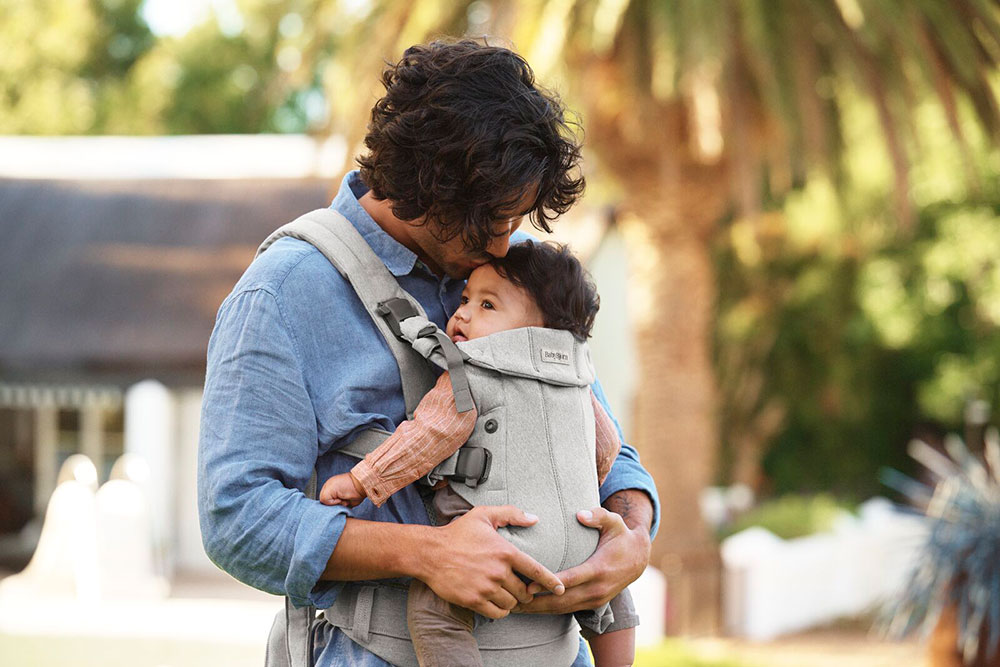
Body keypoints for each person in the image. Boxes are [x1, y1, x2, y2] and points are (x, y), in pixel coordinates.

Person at [198, 39, 659, 667]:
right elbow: (237, 519)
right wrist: (427, 553)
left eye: (514, 218)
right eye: (491, 219)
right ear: (427, 184)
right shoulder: (282, 294)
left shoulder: (514, 272)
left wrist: (632, 533)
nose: (504, 243)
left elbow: (597, 438)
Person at [320, 242, 637, 667]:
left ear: (539, 329)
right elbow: (606, 448)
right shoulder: (579, 381)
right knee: (611, 596)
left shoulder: (470, 374)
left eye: (487, 305)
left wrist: (361, 481)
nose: (462, 313)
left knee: (433, 608)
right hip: (582, 539)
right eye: (466, 298)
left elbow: (425, 436)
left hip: (501, 544)